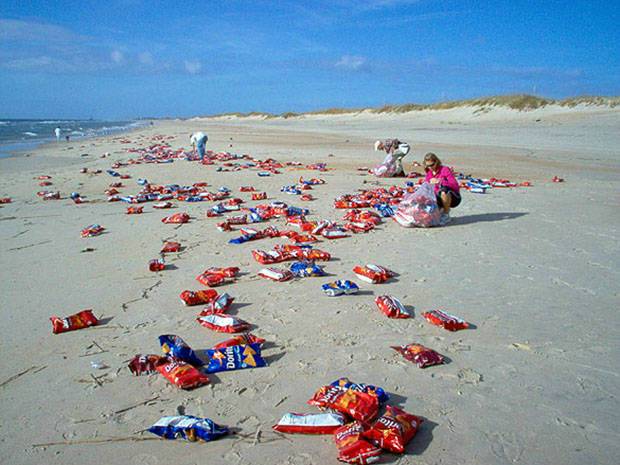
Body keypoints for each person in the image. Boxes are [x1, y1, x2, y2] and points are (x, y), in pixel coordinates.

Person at [423, 152, 461, 225]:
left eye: (432, 165)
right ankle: (439, 212)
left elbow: (454, 185)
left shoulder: (445, 169)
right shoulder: (429, 174)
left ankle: (446, 215)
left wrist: (440, 181)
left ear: (436, 162)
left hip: (453, 196)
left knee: (444, 191)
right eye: (428, 166)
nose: (430, 167)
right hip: (437, 198)